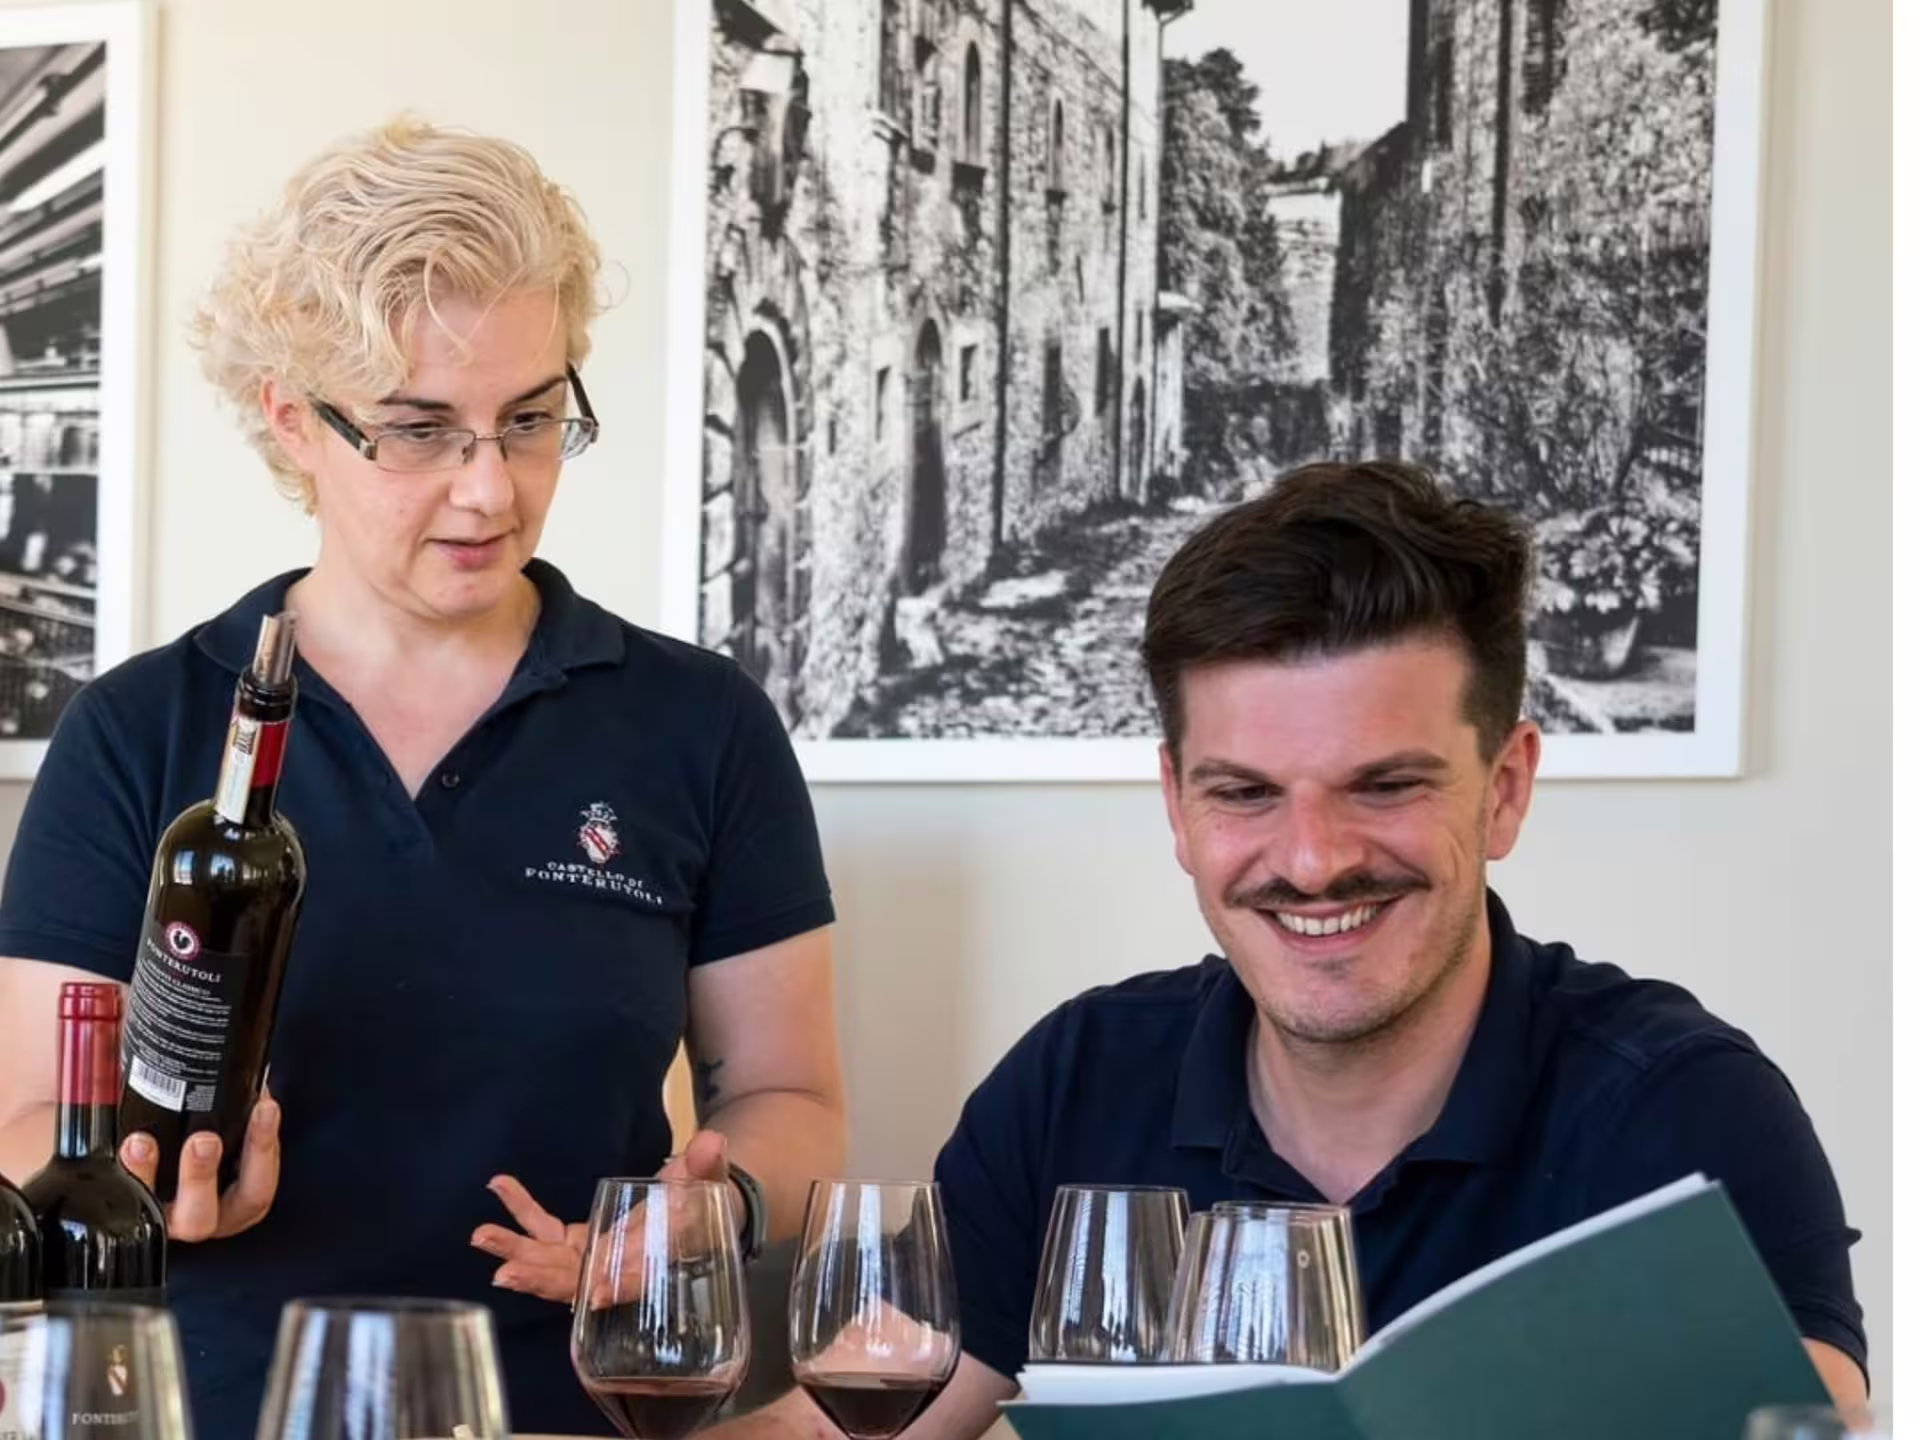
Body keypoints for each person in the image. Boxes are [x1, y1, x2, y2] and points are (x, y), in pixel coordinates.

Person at [716, 460, 1868, 1440]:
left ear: (1505, 789)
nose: (1312, 860)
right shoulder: (1080, 1081)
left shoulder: (1682, 1112)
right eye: (1246, 793)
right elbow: (845, 1428)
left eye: (1386, 785)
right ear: (1177, 804)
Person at [0, 118, 847, 1437]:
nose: (490, 487)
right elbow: (27, 1127)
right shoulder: (136, 731)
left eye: (532, 418)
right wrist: (149, 1177)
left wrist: (713, 1211)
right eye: (418, 430)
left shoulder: (701, 725)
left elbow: (790, 1098)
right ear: (293, 423)